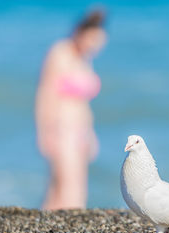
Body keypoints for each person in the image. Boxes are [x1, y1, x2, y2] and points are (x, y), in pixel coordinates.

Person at [35, 10, 107, 210]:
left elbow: (83, 103)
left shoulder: (85, 59)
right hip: (61, 127)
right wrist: (45, 132)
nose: (93, 47)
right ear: (80, 32)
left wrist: (90, 134)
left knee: (65, 188)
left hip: (80, 129)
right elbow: (46, 93)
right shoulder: (60, 52)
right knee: (69, 190)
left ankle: (44, 232)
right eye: (91, 41)